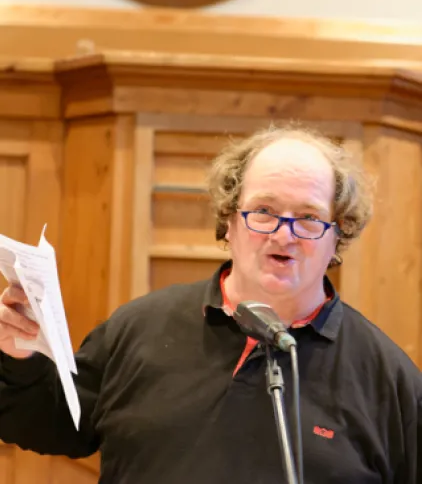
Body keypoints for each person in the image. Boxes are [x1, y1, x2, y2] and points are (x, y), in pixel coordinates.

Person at [0, 125, 420, 484]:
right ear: (229, 220)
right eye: (264, 211)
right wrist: (19, 356)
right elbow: (50, 425)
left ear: (338, 234)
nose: (284, 234)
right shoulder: (140, 328)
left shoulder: (389, 380)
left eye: (309, 217)